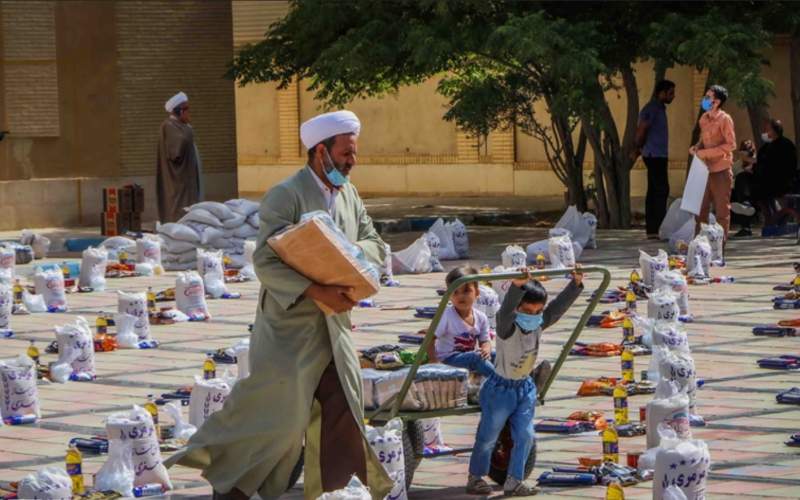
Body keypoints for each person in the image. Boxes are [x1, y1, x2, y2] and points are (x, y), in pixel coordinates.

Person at [164, 110, 393, 500]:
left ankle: (337, 494)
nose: (352, 161)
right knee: (279, 422)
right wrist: (316, 289)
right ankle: (232, 489)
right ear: (320, 152)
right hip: (291, 332)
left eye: (354, 153)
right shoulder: (286, 195)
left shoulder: (349, 195)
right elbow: (266, 262)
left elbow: (373, 241)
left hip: (335, 329)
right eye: (346, 153)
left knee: (344, 413)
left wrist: (349, 256)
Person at [465, 267, 584, 496]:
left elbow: (557, 309)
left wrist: (575, 284)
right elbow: (505, 311)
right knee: (488, 436)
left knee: (526, 435)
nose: (532, 315)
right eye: (527, 310)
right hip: (500, 389)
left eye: (537, 311)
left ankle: (514, 480)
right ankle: (475, 477)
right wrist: (517, 286)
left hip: (525, 388)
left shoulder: (538, 323)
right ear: (518, 308)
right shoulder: (507, 327)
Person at [428, 266, 495, 377]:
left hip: (468, 357)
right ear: (449, 295)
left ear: (477, 293)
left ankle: (512, 379)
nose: (460, 296)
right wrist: (434, 360)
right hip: (449, 359)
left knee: (496, 354)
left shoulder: (481, 317)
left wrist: (486, 349)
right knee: (476, 357)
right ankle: (500, 382)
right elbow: (430, 338)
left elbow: (485, 340)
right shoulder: (446, 315)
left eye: (466, 291)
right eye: (455, 292)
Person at [689, 85, 736, 239]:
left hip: (721, 170)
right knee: (700, 210)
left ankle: (719, 248)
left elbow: (731, 145)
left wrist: (705, 153)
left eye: (708, 97)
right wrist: (697, 147)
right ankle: (699, 245)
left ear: (717, 101)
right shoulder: (704, 118)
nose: (705, 99)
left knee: (722, 212)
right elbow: (703, 140)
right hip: (704, 170)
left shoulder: (725, 119)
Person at [634, 80, 676, 239]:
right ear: (661, 93)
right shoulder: (652, 108)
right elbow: (642, 129)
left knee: (654, 191)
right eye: (670, 93)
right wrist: (637, 148)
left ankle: (653, 230)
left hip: (658, 155)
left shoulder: (659, 108)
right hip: (654, 155)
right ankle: (658, 228)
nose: (673, 96)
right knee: (660, 190)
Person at [156, 91, 204, 223]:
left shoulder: (181, 126)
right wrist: (188, 130)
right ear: (180, 111)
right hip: (178, 182)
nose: (189, 113)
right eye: (187, 110)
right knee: (180, 210)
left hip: (187, 179)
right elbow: (176, 151)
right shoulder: (169, 125)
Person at [730, 140, 758, 237]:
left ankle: (745, 203)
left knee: (742, 176)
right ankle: (745, 228)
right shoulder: (737, 165)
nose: (743, 155)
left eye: (745, 152)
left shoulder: (756, 161)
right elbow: (730, 176)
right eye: (741, 152)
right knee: (738, 202)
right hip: (739, 193)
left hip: (755, 192)